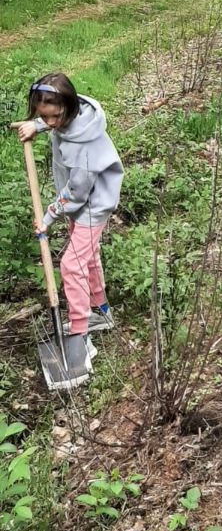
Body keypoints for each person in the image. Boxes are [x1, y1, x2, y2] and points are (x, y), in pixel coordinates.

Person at [13, 73, 123, 378]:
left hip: (92, 204)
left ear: (69, 107)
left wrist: (47, 217)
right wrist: (34, 125)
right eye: (42, 116)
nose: (50, 123)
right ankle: (101, 313)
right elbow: (51, 121)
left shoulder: (83, 145)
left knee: (71, 265)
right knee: (87, 258)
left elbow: (76, 193)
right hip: (81, 204)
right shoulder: (70, 116)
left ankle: (79, 332)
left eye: (54, 116)